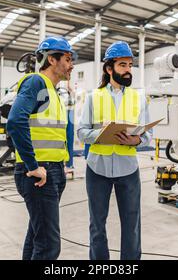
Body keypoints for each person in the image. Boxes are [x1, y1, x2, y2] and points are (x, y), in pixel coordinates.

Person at [77, 41, 152, 260]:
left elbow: (148, 135)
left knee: (131, 225)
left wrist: (135, 139)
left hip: (128, 170)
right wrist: (102, 134)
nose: (128, 70)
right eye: (122, 65)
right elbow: (81, 132)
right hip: (96, 169)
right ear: (109, 69)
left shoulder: (138, 98)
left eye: (130, 65)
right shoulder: (93, 97)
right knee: (97, 225)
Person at [7, 36, 75, 260]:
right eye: (67, 59)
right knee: (48, 246)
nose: (71, 65)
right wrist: (33, 165)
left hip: (52, 171)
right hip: (39, 175)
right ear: (52, 60)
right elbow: (15, 122)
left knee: (38, 237)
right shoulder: (36, 82)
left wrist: (61, 165)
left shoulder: (52, 91)